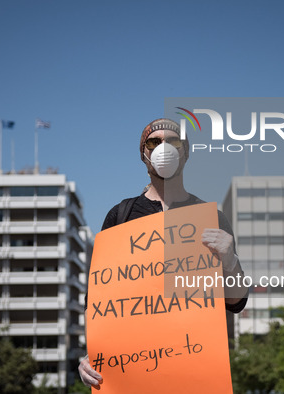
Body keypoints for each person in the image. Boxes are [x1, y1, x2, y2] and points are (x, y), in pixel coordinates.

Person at [78, 118, 248, 388]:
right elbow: (99, 302)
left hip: (194, 373)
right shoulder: (120, 216)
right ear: (143, 154)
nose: (163, 148)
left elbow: (237, 302)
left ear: (186, 152)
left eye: (173, 142)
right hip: (134, 375)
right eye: (154, 142)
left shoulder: (211, 218)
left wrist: (230, 260)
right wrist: (91, 357)